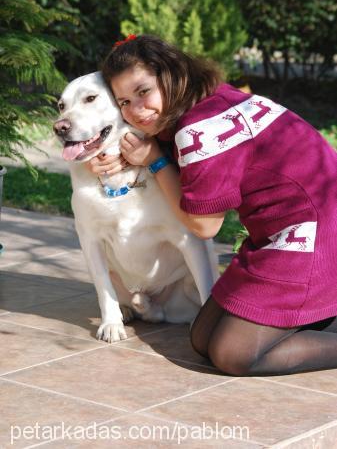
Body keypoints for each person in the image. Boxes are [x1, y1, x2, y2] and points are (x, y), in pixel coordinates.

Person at [87, 33, 337, 376]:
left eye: (143, 92)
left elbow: (204, 225)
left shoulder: (198, 129)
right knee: (202, 337)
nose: (137, 111)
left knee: (232, 353)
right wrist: (115, 158)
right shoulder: (209, 98)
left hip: (316, 237)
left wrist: (155, 162)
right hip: (282, 230)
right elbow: (163, 151)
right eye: (124, 102)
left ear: (170, 73)